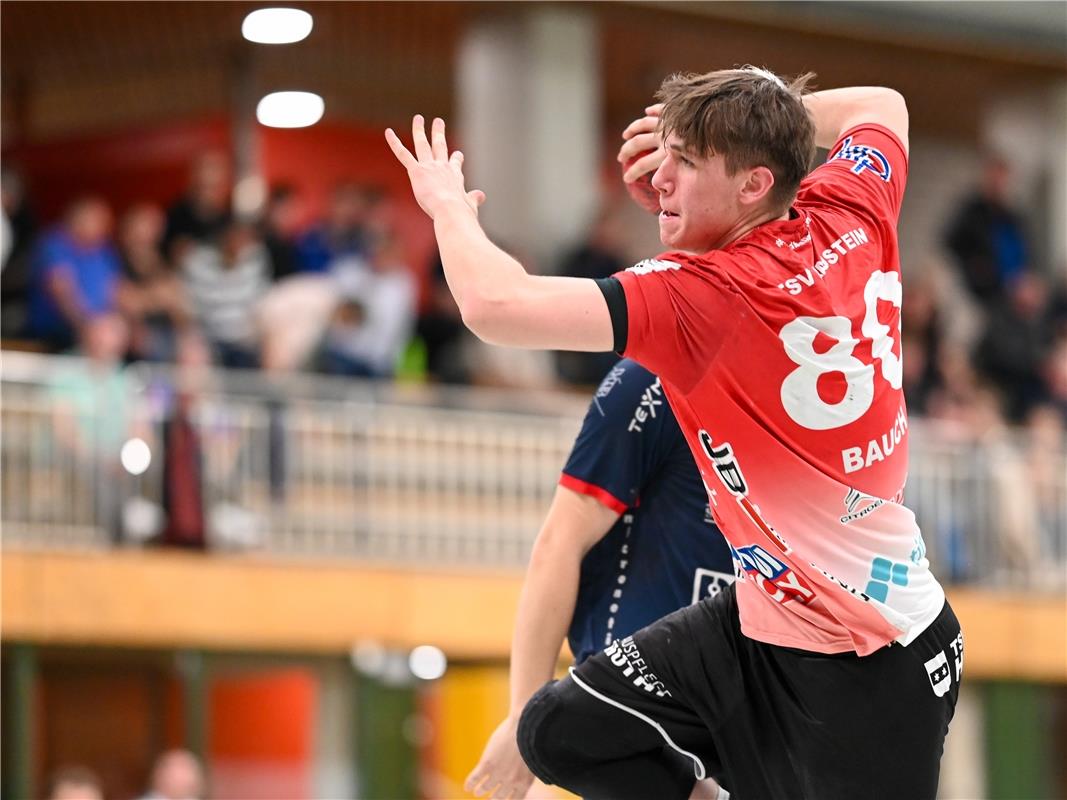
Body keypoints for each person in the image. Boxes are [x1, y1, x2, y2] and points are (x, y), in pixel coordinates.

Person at [387, 67, 961, 799]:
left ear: (753, 184)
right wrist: (746, 124)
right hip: (767, 622)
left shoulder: (703, 295)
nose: (659, 176)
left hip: (873, 656)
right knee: (554, 730)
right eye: (669, 152)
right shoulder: (846, 208)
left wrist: (445, 208)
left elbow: (495, 304)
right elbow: (884, 102)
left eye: (685, 161)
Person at [465, 358, 734, 799]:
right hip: (631, 700)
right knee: (552, 736)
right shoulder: (652, 380)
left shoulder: (799, 393)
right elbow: (558, 543)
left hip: (726, 711)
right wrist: (522, 716)